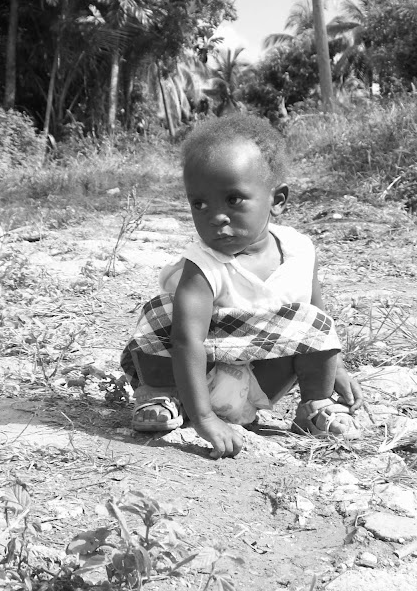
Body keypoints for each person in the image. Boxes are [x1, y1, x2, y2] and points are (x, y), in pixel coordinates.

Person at [121, 115, 363, 459]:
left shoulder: (299, 250)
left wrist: (335, 369)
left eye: (233, 200)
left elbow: (318, 321)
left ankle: (315, 407)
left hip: (261, 382)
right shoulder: (202, 265)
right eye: (199, 204)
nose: (215, 216)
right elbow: (186, 341)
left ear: (277, 200)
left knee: (311, 319)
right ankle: (160, 397)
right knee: (162, 312)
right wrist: (205, 418)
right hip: (189, 381)